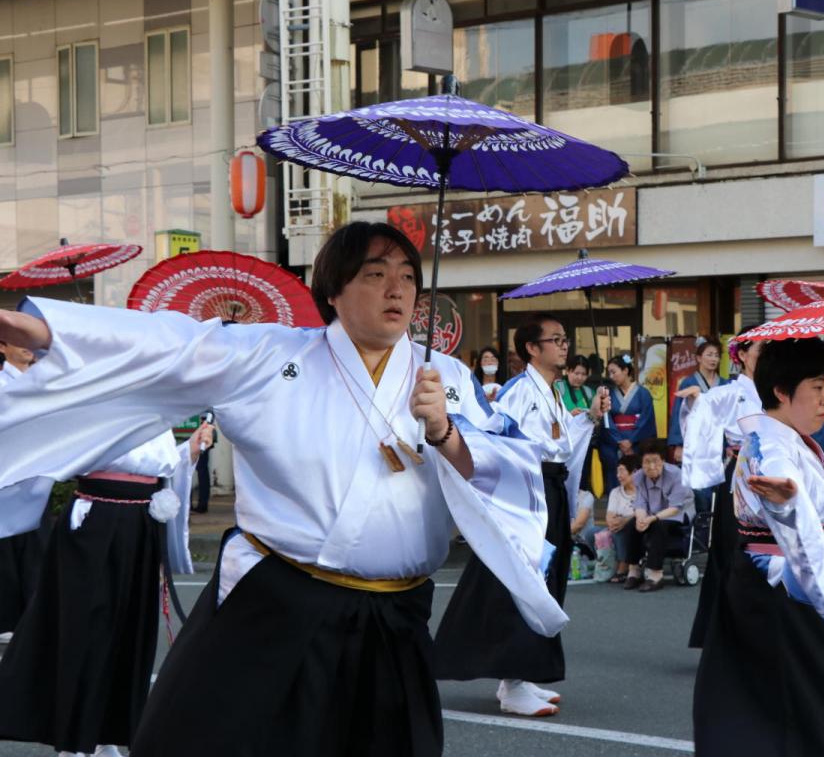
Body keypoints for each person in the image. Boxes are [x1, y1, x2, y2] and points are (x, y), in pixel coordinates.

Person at [0, 221, 564, 757]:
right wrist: (48, 332)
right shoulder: (272, 355)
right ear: (333, 290)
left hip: (397, 614)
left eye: (408, 276)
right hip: (280, 601)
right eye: (375, 274)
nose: (397, 289)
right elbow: (171, 346)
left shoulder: (448, 378)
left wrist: (444, 431)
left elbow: (509, 464)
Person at [693, 337, 824, 756]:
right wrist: (787, 503)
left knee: (812, 700)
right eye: (817, 387)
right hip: (787, 589)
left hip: (798, 580)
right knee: (810, 702)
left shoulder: (791, 438)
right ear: (781, 391)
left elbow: (821, 512)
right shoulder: (770, 448)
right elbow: (792, 507)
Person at [434, 314, 610, 717]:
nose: (564, 346)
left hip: (550, 488)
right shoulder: (517, 390)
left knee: (546, 579)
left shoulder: (554, 391)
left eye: (565, 339)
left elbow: (560, 442)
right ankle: (513, 683)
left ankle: (521, 675)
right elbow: (494, 440)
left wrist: (590, 416)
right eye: (555, 339)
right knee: (524, 579)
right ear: (532, 348)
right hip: (527, 491)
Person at [0, 423, 211, 757]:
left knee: (129, 629)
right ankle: (74, 739)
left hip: (142, 519)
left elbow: (158, 463)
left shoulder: (156, 403)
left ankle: (105, 733)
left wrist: (188, 452)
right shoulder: (99, 394)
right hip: (96, 516)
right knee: (86, 631)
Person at [682, 331, 763, 647]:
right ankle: (721, 635)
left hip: (770, 476)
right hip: (740, 476)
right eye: (761, 350)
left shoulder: (775, 391)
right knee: (731, 551)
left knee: (766, 553)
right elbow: (704, 410)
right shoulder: (731, 392)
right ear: (742, 355)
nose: (766, 357)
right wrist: (695, 402)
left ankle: (758, 634)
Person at [0, 340, 49, 647]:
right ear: (2, 347)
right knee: (5, 551)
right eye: (18, 341)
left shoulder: (43, 380)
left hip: (37, 475)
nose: (27, 347)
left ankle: (34, 616)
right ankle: (6, 619)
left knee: (37, 549)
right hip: (6, 475)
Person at [624, 444, 693, 593]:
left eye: (655, 461)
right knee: (632, 525)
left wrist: (652, 518)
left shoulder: (677, 475)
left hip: (677, 516)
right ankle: (634, 570)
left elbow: (675, 507)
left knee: (659, 526)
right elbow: (640, 503)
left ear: (663, 461)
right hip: (653, 515)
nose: (651, 466)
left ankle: (656, 574)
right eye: (646, 462)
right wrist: (641, 518)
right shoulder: (639, 477)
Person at [597, 353, 657, 496]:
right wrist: (620, 441)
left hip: (636, 442)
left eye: (614, 372)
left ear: (625, 370)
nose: (611, 376)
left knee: (639, 477)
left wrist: (631, 441)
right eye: (609, 373)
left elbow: (646, 420)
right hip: (615, 443)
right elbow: (607, 420)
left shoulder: (643, 393)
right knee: (615, 476)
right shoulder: (608, 394)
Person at [667, 337, 729, 469]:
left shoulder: (725, 384)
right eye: (709, 355)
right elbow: (679, 414)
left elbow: (730, 415)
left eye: (716, 355)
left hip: (719, 438)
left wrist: (730, 444)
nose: (713, 359)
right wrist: (679, 444)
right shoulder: (688, 383)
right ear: (699, 358)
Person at [605, 454, 641, 583]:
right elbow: (610, 516)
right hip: (616, 526)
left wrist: (624, 520)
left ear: (634, 472)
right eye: (617, 472)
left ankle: (623, 566)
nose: (618, 475)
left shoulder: (644, 491)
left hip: (637, 528)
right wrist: (613, 522)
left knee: (623, 530)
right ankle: (610, 564)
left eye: (621, 471)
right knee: (591, 532)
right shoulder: (615, 492)